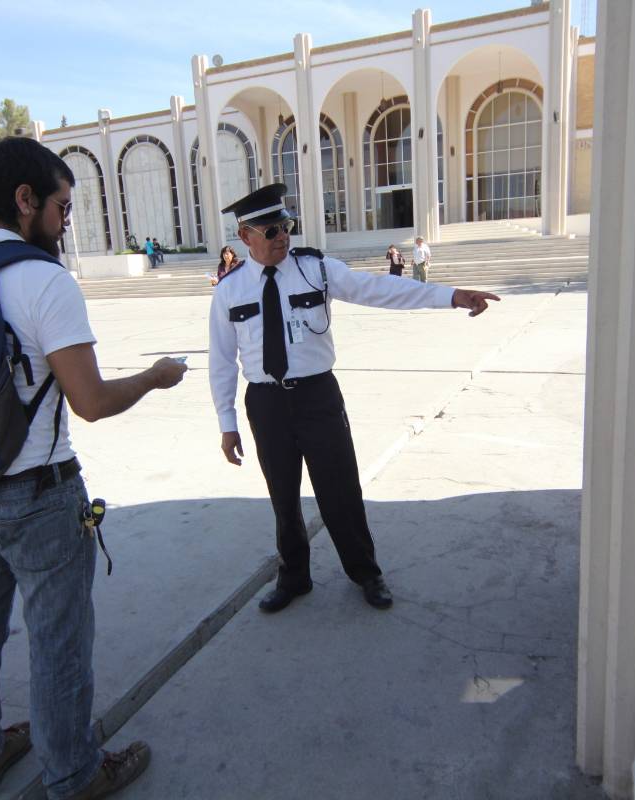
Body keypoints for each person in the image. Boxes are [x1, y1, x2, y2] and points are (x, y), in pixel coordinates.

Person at [0, 137, 187, 800]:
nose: (66, 219)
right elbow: (92, 402)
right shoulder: (43, 280)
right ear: (25, 201)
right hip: (39, 497)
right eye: (62, 205)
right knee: (59, 644)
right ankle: (74, 773)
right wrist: (156, 377)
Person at [208, 184, 500, 613]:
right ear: (245, 236)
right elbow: (220, 360)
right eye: (271, 231)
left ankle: (366, 572)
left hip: (317, 396)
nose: (283, 237)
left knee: (340, 490)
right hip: (266, 404)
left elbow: (381, 291)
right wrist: (227, 422)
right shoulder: (229, 290)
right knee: (283, 496)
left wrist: (450, 296)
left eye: (286, 226)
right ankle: (294, 578)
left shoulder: (317, 268)